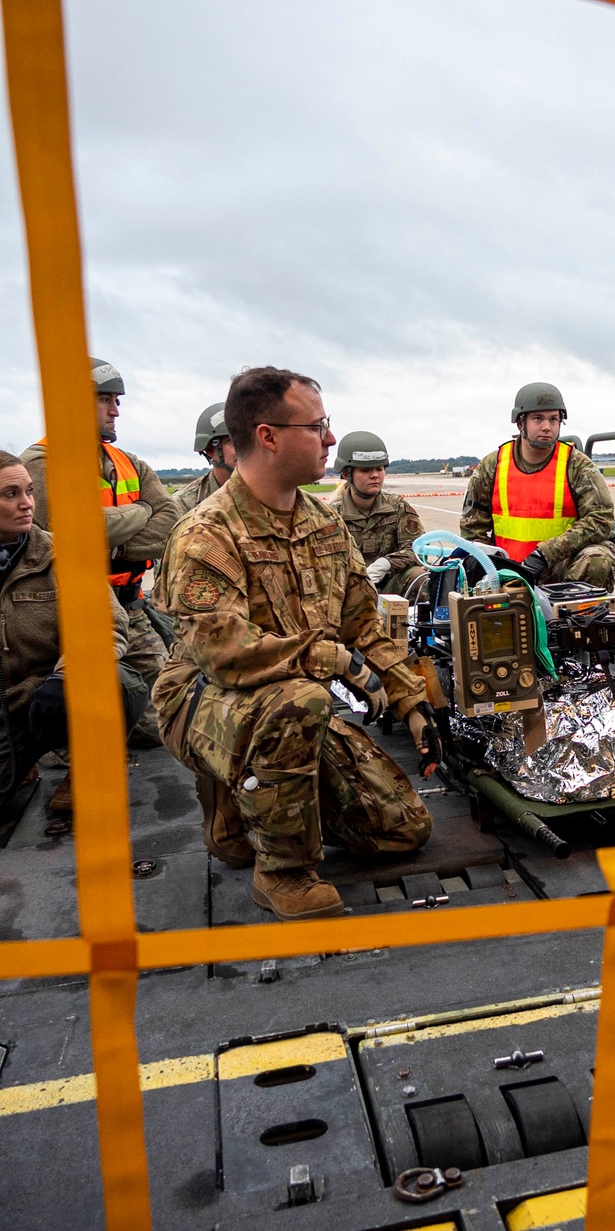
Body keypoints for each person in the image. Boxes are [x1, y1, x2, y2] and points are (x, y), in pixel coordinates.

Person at [152, 366, 441, 922]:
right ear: (268, 436)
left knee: (402, 830)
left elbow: (364, 624)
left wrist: (414, 705)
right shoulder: (206, 533)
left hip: (289, 705)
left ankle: (247, 803)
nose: (331, 440)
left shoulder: (325, 526)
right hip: (202, 699)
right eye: (319, 427)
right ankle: (281, 874)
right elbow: (224, 652)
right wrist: (329, 659)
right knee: (301, 700)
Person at [21, 358, 181, 750]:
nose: (116, 410)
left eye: (117, 400)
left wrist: (112, 542)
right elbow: (68, 529)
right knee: (77, 731)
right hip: (75, 614)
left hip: (131, 609)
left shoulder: (130, 462)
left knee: (164, 723)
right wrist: (142, 511)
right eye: (106, 399)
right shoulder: (39, 466)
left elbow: (171, 521)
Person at [0, 452, 148, 831]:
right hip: (5, 706)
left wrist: (66, 675)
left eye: (29, 491)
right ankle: (20, 763)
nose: (27, 503)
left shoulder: (61, 552)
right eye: (10, 494)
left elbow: (107, 625)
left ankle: (86, 770)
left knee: (121, 683)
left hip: (49, 695)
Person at [460, 382, 615, 591]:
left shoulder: (577, 465)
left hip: (561, 568)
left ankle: (577, 618)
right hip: (509, 569)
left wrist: (546, 554)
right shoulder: (493, 465)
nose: (547, 427)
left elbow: (600, 520)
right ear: (520, 423)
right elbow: (472, 527)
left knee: (597, 558)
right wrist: (489, 568)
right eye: (538, 419)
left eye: (554, 419)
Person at [329, 432, 426, 597]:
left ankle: (407, 621)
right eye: (365, 470)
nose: (375, 475)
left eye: (379, 469)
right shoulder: (331, 515)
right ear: (346, 474)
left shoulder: (397, 507)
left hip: (389, 588)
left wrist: (386, 563)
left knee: (418, 576)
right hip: (347, 592)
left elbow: (418, 549)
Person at [174, 402, 238, 514]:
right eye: (232, 441)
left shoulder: (272, 492)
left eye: (249, 440)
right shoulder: (184, 504)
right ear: (210, 450)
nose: (245, 448)